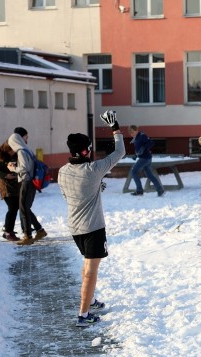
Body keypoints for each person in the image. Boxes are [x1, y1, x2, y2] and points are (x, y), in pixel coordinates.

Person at [58, 110, 125, 327]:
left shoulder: (62, 172)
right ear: (85, 151)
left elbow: (67, 195)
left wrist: (94, 188)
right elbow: (120, 152)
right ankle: (83, 315)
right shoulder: (93, 169)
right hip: (93, 228)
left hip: (75, 228)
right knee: (90, 272)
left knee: (86, 266)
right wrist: (115, 128)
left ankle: (91, 301)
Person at [7, 127, 47, 245]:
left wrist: (13, 168)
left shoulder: (21, 151)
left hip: (26, 181)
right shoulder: (27, 149)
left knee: (23, 208)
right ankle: (39, 230)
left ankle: (27, 236)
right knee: (25, 208)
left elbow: (24, 168)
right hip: (31, 182)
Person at [0, 142, 21, 241]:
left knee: (14, 208)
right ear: (7, 149)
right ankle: (8, 232)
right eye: (11, 150)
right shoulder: (1, 157)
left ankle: (7, 229)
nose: (13, 152)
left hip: (14, 185)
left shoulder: (15, 155)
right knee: (12, 208)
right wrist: (5, 175)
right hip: (5, 186)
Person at [128, 125, 165, 197]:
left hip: (145, 158)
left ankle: (139, 191)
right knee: (149, 175)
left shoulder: (142, 135)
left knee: (134, 171)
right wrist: (136, 155)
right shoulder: (136, 138)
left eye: (132, 132)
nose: (131, 134)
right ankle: (160, 189)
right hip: (144, 158)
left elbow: (151, 142)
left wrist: (144, 148)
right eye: (130, 133)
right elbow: (139, 149)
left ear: (136, 130)